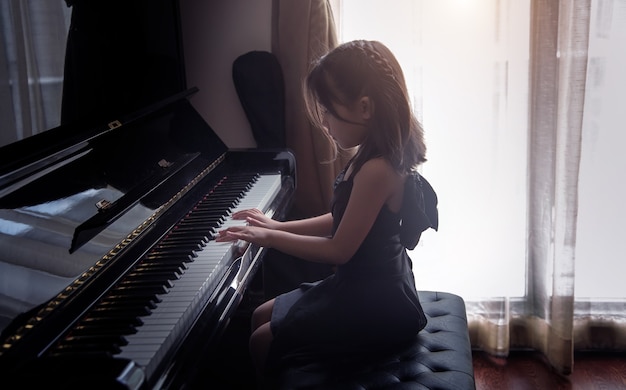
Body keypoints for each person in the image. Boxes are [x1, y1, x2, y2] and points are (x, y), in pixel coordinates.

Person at [216, 39, 438, 386]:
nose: (323, 121)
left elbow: (339, 248)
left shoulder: (378, 168)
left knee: (262, 340)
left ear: (365, 108)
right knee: (258, 315)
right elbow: (342, 220)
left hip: (378, 302)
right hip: (357, 287)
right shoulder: (371, 155)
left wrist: (270, 238)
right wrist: (277, 225)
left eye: (328, 110)